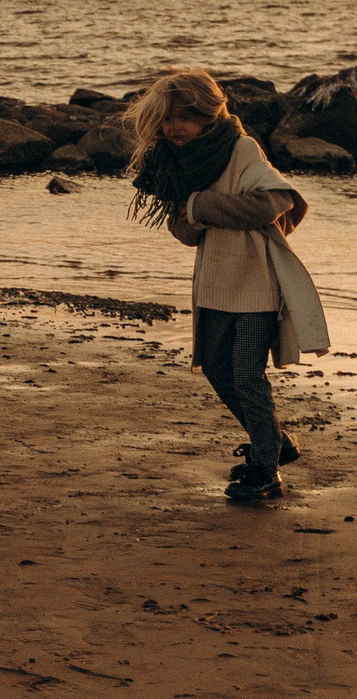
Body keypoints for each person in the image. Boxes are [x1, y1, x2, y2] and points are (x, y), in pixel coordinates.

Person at [128, 69, 330, 503]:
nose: (174, 127)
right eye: (167, 119)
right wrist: (190, 216)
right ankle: (274, 440)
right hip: (214, 285)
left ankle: (265, 469)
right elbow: (184, 231)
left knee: (247, 374)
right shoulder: (176, 161)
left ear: (209, 114)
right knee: (218, 369)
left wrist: (201, 204)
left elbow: (277, 201)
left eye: (185, 117)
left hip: (256, 285)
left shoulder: (240, 148)